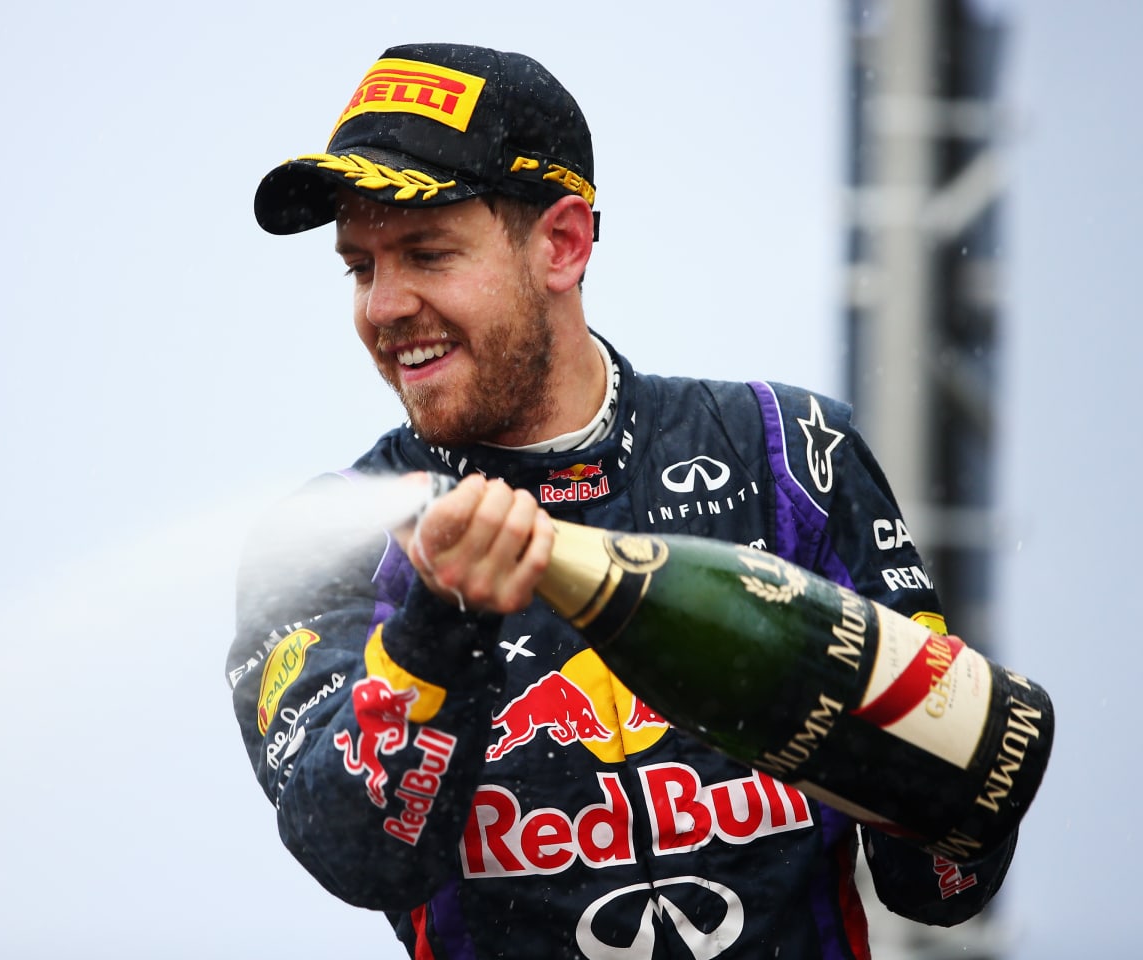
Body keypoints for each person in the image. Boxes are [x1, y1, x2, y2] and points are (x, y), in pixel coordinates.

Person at [225, 42, 1017, 959]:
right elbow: (354, 857)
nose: (385, 306)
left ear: (561, 243)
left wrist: (931, 765)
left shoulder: (791, 457)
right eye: (360, 267)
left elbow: (943, 886)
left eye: (427, 254)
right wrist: (439, 625)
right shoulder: (327, 540)